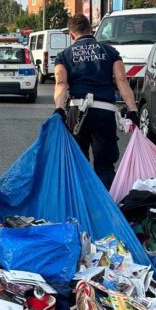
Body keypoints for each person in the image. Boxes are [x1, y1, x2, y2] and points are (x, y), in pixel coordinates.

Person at [54, 14, 139, 189]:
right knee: (105, 164)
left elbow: (61, 82)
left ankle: (84, 204)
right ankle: (107, 205)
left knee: (79, 163)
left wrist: (59, 109)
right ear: (91, 30)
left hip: (77, 112)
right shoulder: (110, 52)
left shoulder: (64, 55)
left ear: (71, 35)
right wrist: (132, 110)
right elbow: (121, 80)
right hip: (104, 112)